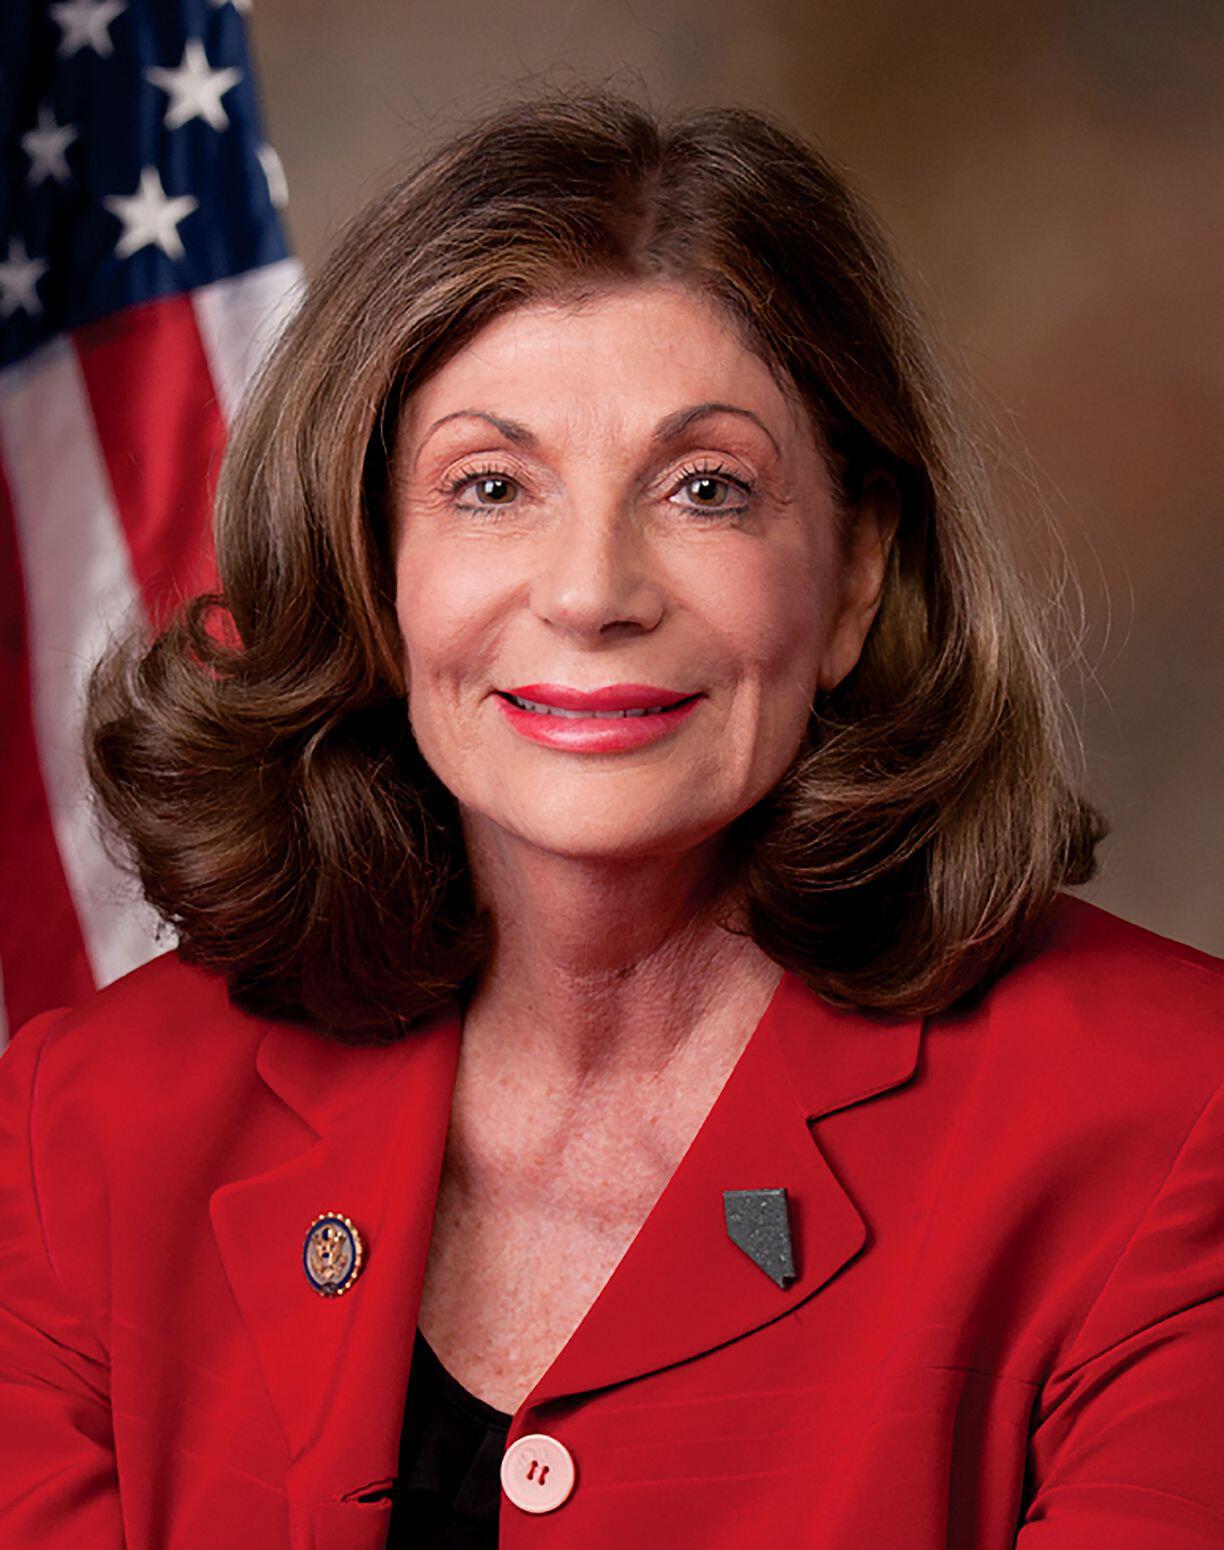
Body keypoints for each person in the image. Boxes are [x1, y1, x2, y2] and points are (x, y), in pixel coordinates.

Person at [0, 91, 1221, 1550]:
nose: (590, 591)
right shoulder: (89, 1127)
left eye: (706, 488)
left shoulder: (1165, 1121)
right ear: (374, 564)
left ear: (853, 578)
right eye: (491, 486)